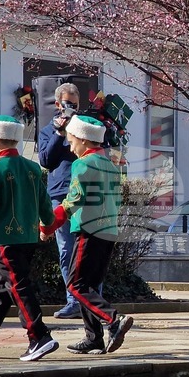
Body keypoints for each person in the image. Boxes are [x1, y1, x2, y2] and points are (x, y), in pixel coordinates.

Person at [41, 116, 133, 356]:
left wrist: (48, 225)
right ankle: (93, 338)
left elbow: (73, 199)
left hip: (88, 230)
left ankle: (114, 320)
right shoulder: (111, 165)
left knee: (76, 284)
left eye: (72, 141)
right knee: (89, 284)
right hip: (109, 231)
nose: (70, 147)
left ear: (83, 140)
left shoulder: (81, 164)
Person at [0, 115, 58, 362]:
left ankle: (39, 336)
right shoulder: (33, 168)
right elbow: (44, 203)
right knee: (3, 289)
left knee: (17, 286)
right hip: (28, 237)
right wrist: (47, 226)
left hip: (4, 240)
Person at [37, 81, 84, 319]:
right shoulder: (48, 129)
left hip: (85, 194)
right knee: (66, 249)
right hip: (60, 193)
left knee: (88, 248)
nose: (71, 109)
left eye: (75, 105)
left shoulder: (85, 126)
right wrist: (58, 132)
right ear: (57, 103)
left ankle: (90, 298)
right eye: (67, 104)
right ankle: (73, 300)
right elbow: (45, 160)